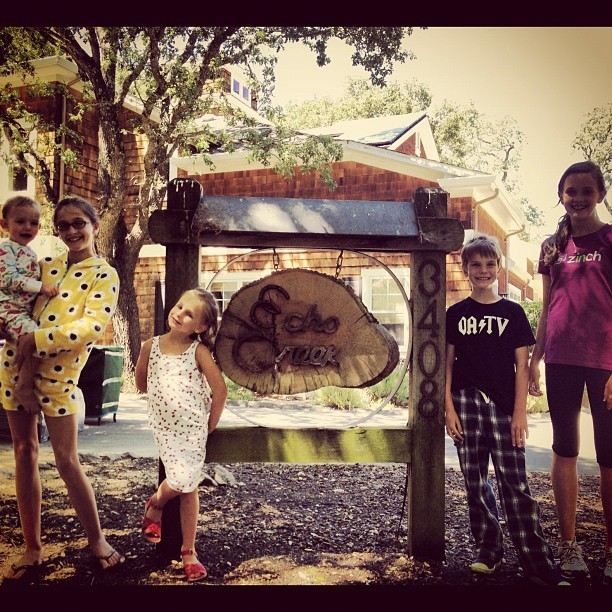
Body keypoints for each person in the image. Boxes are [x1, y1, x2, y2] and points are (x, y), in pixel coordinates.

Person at [0, 195, 124, 582]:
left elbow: (90, 327)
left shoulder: (105, 274)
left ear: (94, 225)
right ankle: (32, 548)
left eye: (79, 223)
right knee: (24, 453)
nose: (71, 231)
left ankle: (97, 540)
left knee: (67, 462)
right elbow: (14, 301)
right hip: (13, 367)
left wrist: (37, 340)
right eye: (64, 225)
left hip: (60, 380)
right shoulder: (45, 265)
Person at [445, 234, 569, 586]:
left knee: (515, 483)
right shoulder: (456, 313)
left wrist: (520, 413)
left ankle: (536, 560)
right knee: (475, 480)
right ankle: (488, 549)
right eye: (476, 265)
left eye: (490, 264)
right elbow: (447, 366)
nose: (483, 270)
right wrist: (448, 409)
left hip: (502, 407)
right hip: (466, 404)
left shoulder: (512, 312)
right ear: (466, 269)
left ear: (499, 268)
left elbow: (522, 365)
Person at [528, 160, 611, 584]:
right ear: (561, 195)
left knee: (610, 455)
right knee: (565, 450)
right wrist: (535, 358)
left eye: (585, 190)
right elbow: (547, 308)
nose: (577, 198)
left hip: (606, 364)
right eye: (570, 191)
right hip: (560, 358)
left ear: (599, 193)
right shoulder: (550, 246)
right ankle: (569, 544)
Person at [135, 287, 227, 582]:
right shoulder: (151, 346)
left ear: (199, 327)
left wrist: (210, 424)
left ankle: (183, 542)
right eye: (178, 306)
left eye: (189, 314)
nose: (179, 314)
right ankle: (163, 513)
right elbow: (141, 381)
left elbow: (220, 390)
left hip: (193, 429)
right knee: (185, 482)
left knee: (188, 486)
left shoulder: (198, 351)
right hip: (165, 427)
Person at [0, 196, 59, 413]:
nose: (28, 227)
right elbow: (7, 278)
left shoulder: (30, 253)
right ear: (4, 224)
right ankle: (24, 386)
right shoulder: (5, 249)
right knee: (37, 339)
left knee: (33, 343)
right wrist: (40, 287)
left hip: (21, 312)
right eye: (20, 221)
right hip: (8, 309)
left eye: (33, 223)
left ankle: (23, 378)